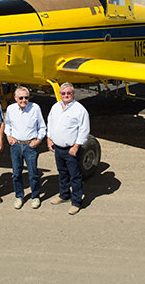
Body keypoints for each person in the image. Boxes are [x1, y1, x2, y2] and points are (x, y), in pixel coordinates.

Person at [46, 83, 90, 215]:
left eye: (69, 93)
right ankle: (64, 195)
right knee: (62, 173)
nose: (66, 95)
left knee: (75, 176)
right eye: (63, 93)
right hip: (58, 148)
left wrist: (76, 146)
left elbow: (84, 130)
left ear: (73, 94)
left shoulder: (80, 109)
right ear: (60, 94)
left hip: (71, 149)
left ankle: (76, 202)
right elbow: (50, 122)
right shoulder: (55, 106)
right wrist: (49, 138)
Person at [4, 86, 46, 210]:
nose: (23, 100)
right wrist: (8, 136)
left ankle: (35, 196)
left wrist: (38, 140)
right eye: (21, 97)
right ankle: (19, 196)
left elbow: (42, 127)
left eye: (26, 97)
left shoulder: (35, 108)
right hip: (16, 145)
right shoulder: (11, 109)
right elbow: (8, 124)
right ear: (16, 98)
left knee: (33, 173)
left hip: (30, 146)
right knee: (16, 173)